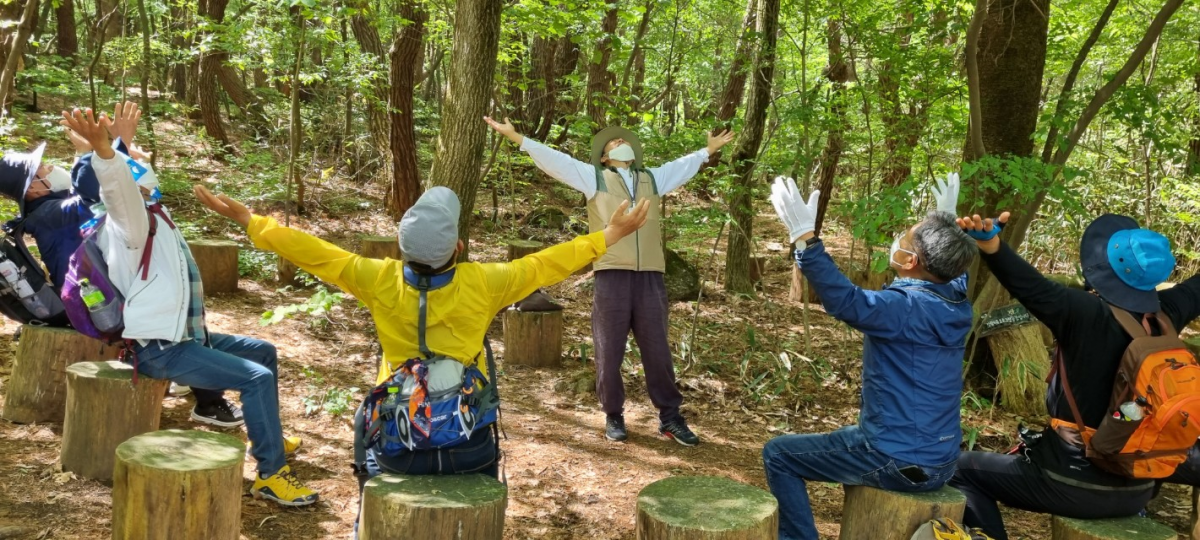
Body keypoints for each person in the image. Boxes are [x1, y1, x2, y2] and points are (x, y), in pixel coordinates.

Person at [191, 180, 649, 511]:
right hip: (471, 445)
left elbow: (315, 252)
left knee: (367, 452)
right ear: (460, 247)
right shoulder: (487, 281)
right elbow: (549, 263)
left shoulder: (376, 277)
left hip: (396, 444)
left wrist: (250, 221)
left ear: (401, 248)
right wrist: (610, 235)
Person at [59, 107, 316, 507]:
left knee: (262, 351)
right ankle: (271, 475)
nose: (141, 165)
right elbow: (117, 186)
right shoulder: (129, 224)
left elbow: (125, 178)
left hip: (185, 335)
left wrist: (119, 144)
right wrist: (105, 153)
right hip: (162, 348)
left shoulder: (151, 214)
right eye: (134, 166)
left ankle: (267, 433)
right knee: (257, 377)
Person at [948, 212, 1200, 540]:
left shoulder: (1081, 311)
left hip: (1071, 483)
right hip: (1141, 485)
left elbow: (1029, 285)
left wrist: (991, 244)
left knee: (959, 470)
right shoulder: (1167, 314)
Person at [485, 116, 734, 446]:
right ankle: (613, 414)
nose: (620, 144)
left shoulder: (653, 178)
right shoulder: (595, 178)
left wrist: (708, 150)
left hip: (650, 277)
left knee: (658, 350)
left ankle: (670, 417)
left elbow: (682, 165)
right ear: (603, 157)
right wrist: (519, 138)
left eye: (624, 142)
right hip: (611, 273)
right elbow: (557, 161)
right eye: (613, 144)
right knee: (609, 348)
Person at [761, 175, 978, 540]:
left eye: (904, 239)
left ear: (909, 260)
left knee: (779, 454)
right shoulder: (955, 299)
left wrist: (805, 239)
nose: (898, 239)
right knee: (844, 437)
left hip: (894, 459)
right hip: (941, 462)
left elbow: (847, 300)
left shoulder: (903, 306)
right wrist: (946, 220)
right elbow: (954, 270)